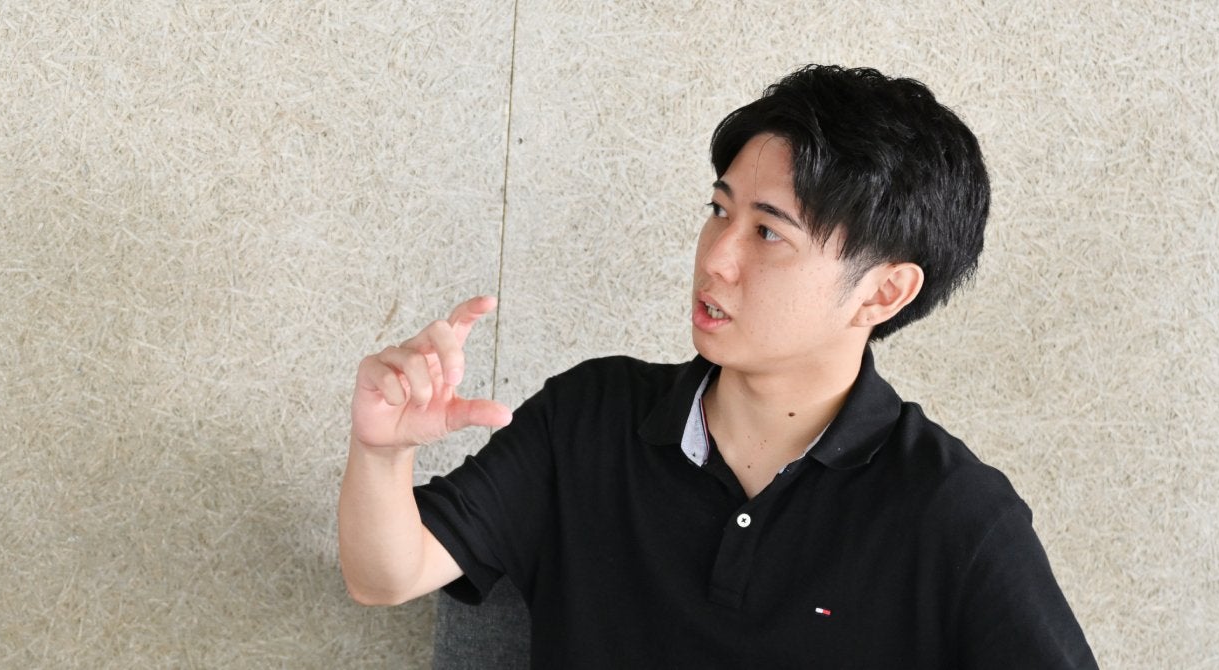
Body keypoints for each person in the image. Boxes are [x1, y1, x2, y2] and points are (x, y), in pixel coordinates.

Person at [338, 64, 1098, 668]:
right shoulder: (592, 416)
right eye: (719, 210)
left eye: (768, 233)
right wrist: (380, 449)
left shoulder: (952, 514)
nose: (717, 258)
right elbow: (384, 575)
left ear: (882, 292)